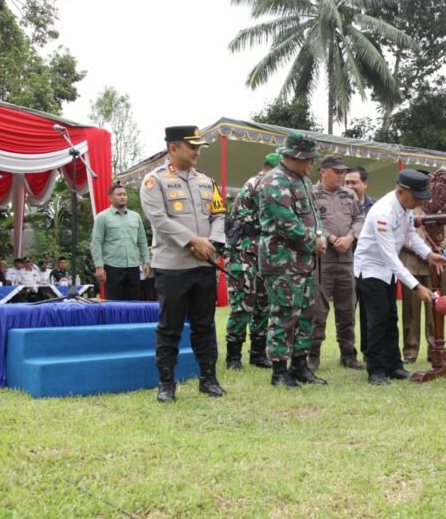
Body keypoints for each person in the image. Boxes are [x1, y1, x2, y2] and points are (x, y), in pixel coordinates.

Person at [140, 125, 226, 402]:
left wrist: (212, 241)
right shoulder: (154, 181)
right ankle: (167, 384)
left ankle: (208, 379)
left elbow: (219, 214)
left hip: (204, 265)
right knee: (170, 326)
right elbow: (159, 219)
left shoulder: (207, 181)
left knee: (205, 324)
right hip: (173, 266)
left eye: (199, 146)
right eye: (192, 147)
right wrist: (193, 241)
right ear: (173, 148)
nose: (197, 151)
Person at [353, 169, 446, 385]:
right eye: (416, 197)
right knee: (378, 319)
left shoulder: (406, 208)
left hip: (387, 270)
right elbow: (389, 257)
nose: (418, 202)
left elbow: (410, 236)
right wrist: (417, 287)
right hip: (370, 269)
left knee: (391, 318)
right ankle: (376, 370)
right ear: (401, 191)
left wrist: (429, 255)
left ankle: (394, 365)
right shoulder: (383, 213)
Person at [259, 132, 328, 388]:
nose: (312, 164)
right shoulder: (275, 181)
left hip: (305, 261)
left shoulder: (302, 182)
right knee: (285, 314)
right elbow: (286, 222)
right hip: (281, 261)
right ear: (295, 157)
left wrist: (320, 237)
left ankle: (300, 366)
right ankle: (279, 371)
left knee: (307, 313)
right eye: (309, 159)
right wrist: (314, 241)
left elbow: (314, 217)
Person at [309, 154, 365, 371]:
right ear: (323, 171)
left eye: (343, 172)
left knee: (347, 309)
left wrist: (351, 237)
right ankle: (312, 356)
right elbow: (312, 220)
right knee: (318, 310)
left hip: (347, 259)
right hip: (324, 259)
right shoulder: (312, 194)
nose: (341, 176)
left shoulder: (349, 195)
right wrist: (331, 238)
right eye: (336, 171)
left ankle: (348, 354)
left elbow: (360, 219)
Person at [223, 153, 278, 370]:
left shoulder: (267, 183)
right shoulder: (257, 183)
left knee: (264, 303)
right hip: (243, 253)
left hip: (262, 253)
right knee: (243, 304)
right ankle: (233, 356)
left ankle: (257, 353)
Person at [399, 207, 446, 364]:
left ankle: (435, 348)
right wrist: (423, 251)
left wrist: (436, 249)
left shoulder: (439, 209)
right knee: (410, 311)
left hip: (433, 268)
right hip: (411, 265)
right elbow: (401, 237)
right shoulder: (408, 208)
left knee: (435, 310)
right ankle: (410, 351)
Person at [91, 182, 151, 300]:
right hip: (113, 267)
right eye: (119, 194)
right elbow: (96, 242)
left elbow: (142, 241)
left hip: (134, 266)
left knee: (134, 303)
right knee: (114, 304)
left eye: (124, 194)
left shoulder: (136, 216)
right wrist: (99, 266)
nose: (123, 197)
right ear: (110, 198)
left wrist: (146, 261)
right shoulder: (102, 217)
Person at [344, 166, 376, 357]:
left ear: (365, 184)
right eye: (346, 182)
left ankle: (368, 350)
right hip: (346, 264)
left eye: (354, 183)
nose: (349, 186)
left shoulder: (375, 206)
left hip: (370, 266)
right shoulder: (339, 204)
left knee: (368, 311)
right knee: (347, 311)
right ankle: (348, 353)